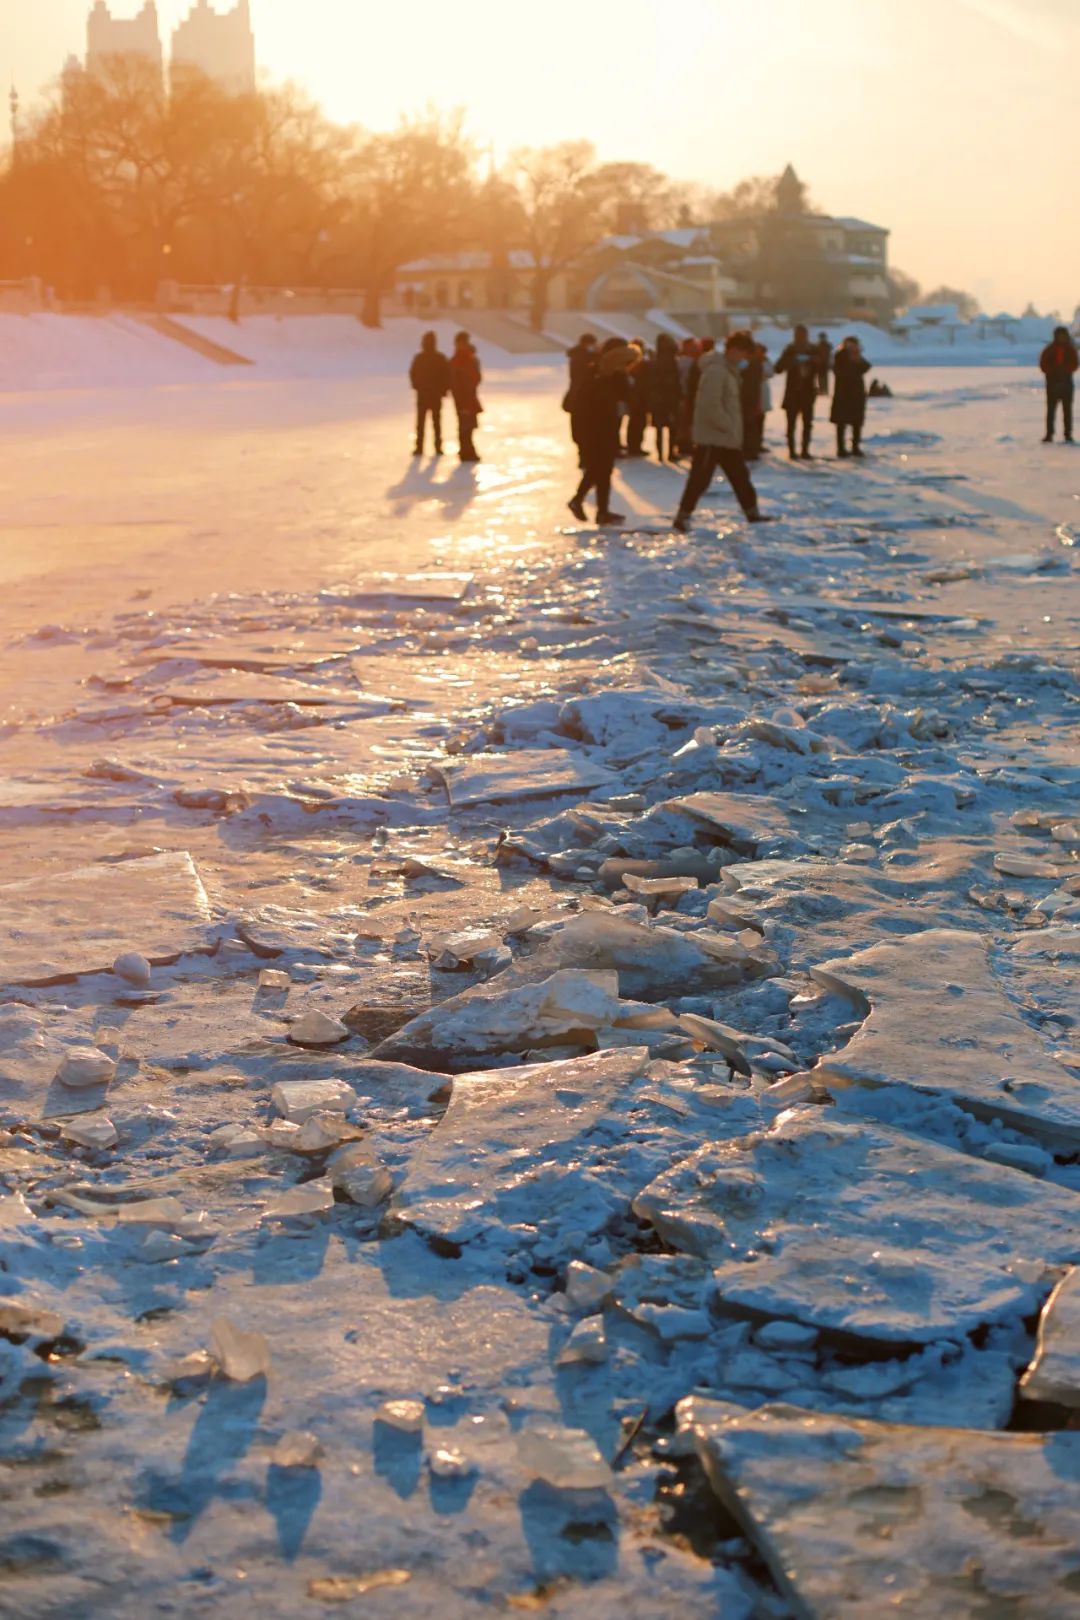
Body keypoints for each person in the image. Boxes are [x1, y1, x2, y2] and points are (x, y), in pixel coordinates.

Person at [672, 330, 773, 531]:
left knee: (740, 477)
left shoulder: (728, 370)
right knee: (700, 479)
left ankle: (752, 512)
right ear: (734, 350)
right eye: (744, 354)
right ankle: (682, 516)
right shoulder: (716, 371)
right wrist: (727, 424)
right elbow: (710, 405)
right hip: (713, 437)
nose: (745, 360)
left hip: (725, 437)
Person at [568, 338, 641, 526]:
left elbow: (626, 398)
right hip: (594, 430)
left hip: (606, 428)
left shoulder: (611, 374)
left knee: (603, 469)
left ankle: (600, 510)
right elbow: (586, 404)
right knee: (599, 468)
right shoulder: (596, 374)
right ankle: (580, 501)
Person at [775, 324, 820, 459]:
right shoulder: (790, 350)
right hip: (792, 393)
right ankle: (792, 451)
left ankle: (805, 450)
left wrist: (814, 361)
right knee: (791, 425)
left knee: (807, 424)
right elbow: (778, 368)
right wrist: (791, 361)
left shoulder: (813, 350)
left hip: (807, 392)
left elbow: (823, 369)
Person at [409, 331, 450, 455]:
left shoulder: (421, 358)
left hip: (425, 394)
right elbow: (447, 375)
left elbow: (413, 374)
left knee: (423, 422)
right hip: (432, 394)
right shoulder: (438, 358)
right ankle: (436, 446)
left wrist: (417, 386)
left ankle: (421, 447)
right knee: (435, 422)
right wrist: (443, 390)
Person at [831, 336, 872, 458]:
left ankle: (855, 447)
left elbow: (866, 367)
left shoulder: (857, 357)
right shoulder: (840, 356)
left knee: (857, 423)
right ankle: (841, 448)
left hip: (857, 395)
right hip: (843, 395)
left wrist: (857, 357)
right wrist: (847, 354)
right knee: (841, 423)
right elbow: (838, 370)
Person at [647, 332, 682, 462]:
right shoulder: (671, 359)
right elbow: (674, 380)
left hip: (657, 398)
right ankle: (670, 452)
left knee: (659, 427)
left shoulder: (655, 359)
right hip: (670, 397)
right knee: (672, 426)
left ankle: (661, 454)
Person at [1040, 325, 1078, 443]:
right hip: (1052, 383)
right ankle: (1049, 434)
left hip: (1066, 383)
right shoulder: (1049, 349)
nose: (1062, 338)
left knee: (1067, 411)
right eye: (1059, 336)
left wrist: (1065, 370)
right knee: (1051, 410)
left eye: (1063, 336)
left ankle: (1068, 434)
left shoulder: (1070, 349)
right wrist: (1053, 371)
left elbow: (1075, 364)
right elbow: (1043, 364)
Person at [564, 333, 597, 468]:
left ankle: (585, 455)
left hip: (578, 398)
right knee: (582, 429)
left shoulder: (580, 356)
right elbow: (579, 377)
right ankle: (584, 455)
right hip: (580, 398)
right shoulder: (581, 358)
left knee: (581, 429)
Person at [449, 331, 482, 462]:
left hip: (469, 396)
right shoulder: (458, 360)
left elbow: (476, 378)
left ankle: (467, 449)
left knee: (468, 425)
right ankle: (466, 450)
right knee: (465, 424)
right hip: (462, 397)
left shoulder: (469, 359)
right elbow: (453, 380)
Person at [674, 338, 700, 459]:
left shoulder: (691, 361)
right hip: (683, 395)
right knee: (684, 421)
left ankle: (685, 443)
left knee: (687, 421)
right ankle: (684, 443)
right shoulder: (683, 362)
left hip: (688, 394)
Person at [625, 339, 651, 456]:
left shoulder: (633, 361)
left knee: (636, 422)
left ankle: (634, 446)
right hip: (638, 397)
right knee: (637, 423)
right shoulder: (637, 363)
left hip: (637, 397)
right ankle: (634, 447)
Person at [741, 342, 764, 461]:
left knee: (749, 426)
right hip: (749, 399)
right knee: (750, 426)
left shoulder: (753, 364)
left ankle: (750, 450)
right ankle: (750, 450)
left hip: (748, 399)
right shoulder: (755, 364)